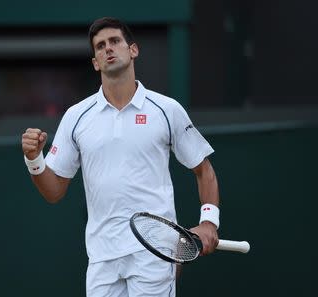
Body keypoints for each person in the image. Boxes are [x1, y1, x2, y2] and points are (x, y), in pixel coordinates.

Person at [22, 17, 220, 297]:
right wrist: (34, 159)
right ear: (95, 62)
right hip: (102, 257)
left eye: (115, 41)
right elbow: (53, 191)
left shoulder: (166, 109)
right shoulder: (76, 117)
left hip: (155, 252)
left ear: (133, 50)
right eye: (100, 46)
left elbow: (204, 169)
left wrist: (209, 221)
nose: (108, 49)